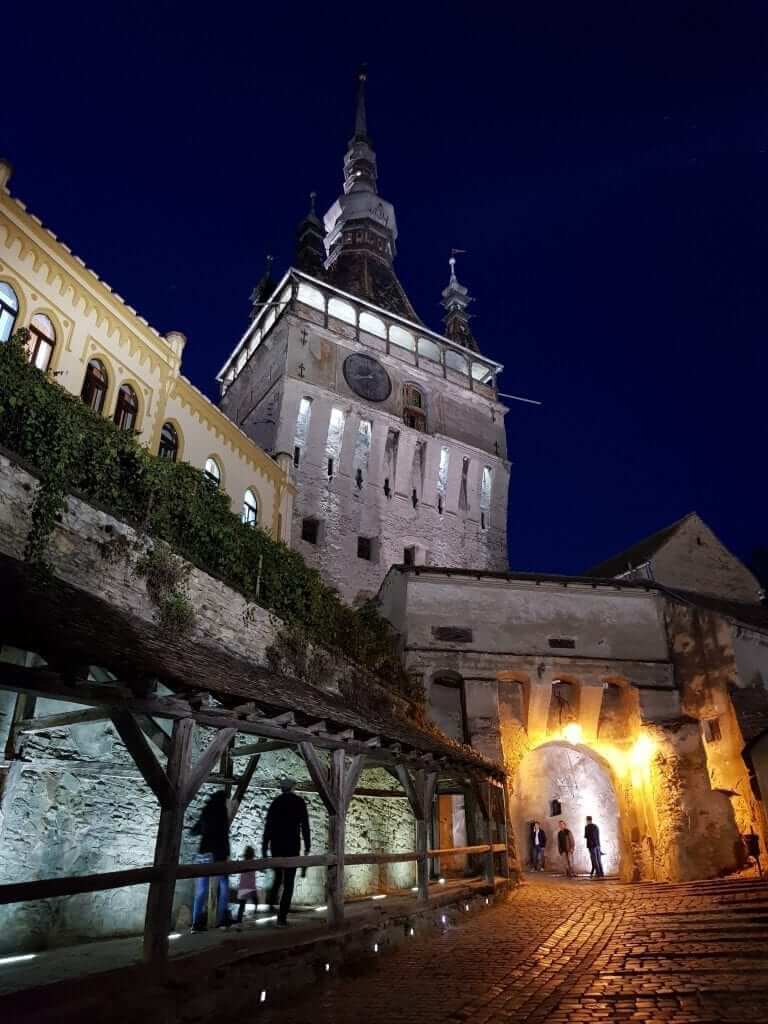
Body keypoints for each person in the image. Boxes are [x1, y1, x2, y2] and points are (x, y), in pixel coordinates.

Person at [262, 777, 310, 926]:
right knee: (289, 882)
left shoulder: (276, 803)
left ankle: (271, 904)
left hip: (276, 845)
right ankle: (281, 917)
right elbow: (305, 826)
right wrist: (307, 845)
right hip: (292, 846)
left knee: (277, 876)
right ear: (293, 788)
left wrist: (264, 847)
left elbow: (268, 826)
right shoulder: (299, 802)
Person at [190, 790, 231, 931]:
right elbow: (223, 834)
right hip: (217, 854)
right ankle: (222, 919)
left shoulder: (207, 810)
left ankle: (196, 923)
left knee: (201, 889)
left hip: (203, 854)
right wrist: (226, 854)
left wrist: (203, 830)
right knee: (224, 884)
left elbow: (194, 831)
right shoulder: (222, 811)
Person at [235, 845, 259, 925]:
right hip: (251, 887)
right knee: (255, 901)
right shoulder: (254, 863)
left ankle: (239, 921)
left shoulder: (243, 863)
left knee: (241, 906)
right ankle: (255, 914)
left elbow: (237, 868)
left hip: (243, 887)